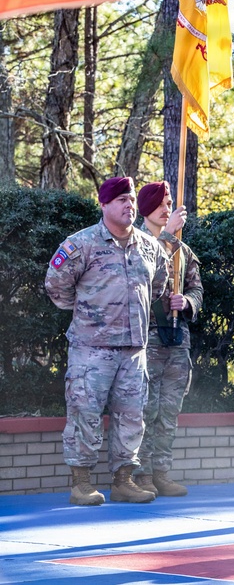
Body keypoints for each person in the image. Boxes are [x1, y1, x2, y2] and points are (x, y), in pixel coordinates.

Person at [45, 176, 169, 506]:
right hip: (91, 350)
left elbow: (157, 285)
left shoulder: (149, 246)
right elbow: (56, 287)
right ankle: (81, 484)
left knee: (131, 418)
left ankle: (123, 481)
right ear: (104, 204)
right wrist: (91, 312)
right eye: (121, 200)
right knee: (84, 415)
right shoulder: (81, 244)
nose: (129, 205)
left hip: (133, 351)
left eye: (131, 200)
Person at [131, 181, 203, 498]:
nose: (167, 208)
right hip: (147, 339)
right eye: (160, 203)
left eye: (170, 202)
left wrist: (187, 302)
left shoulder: (184, 252)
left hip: (176, 340)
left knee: (169, 412)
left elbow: (196, 289)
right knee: (145, 410)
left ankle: (161, 472)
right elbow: (143, 273)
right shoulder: (134, 243)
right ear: (146, 208)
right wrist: (169, 237)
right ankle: (141, 474)